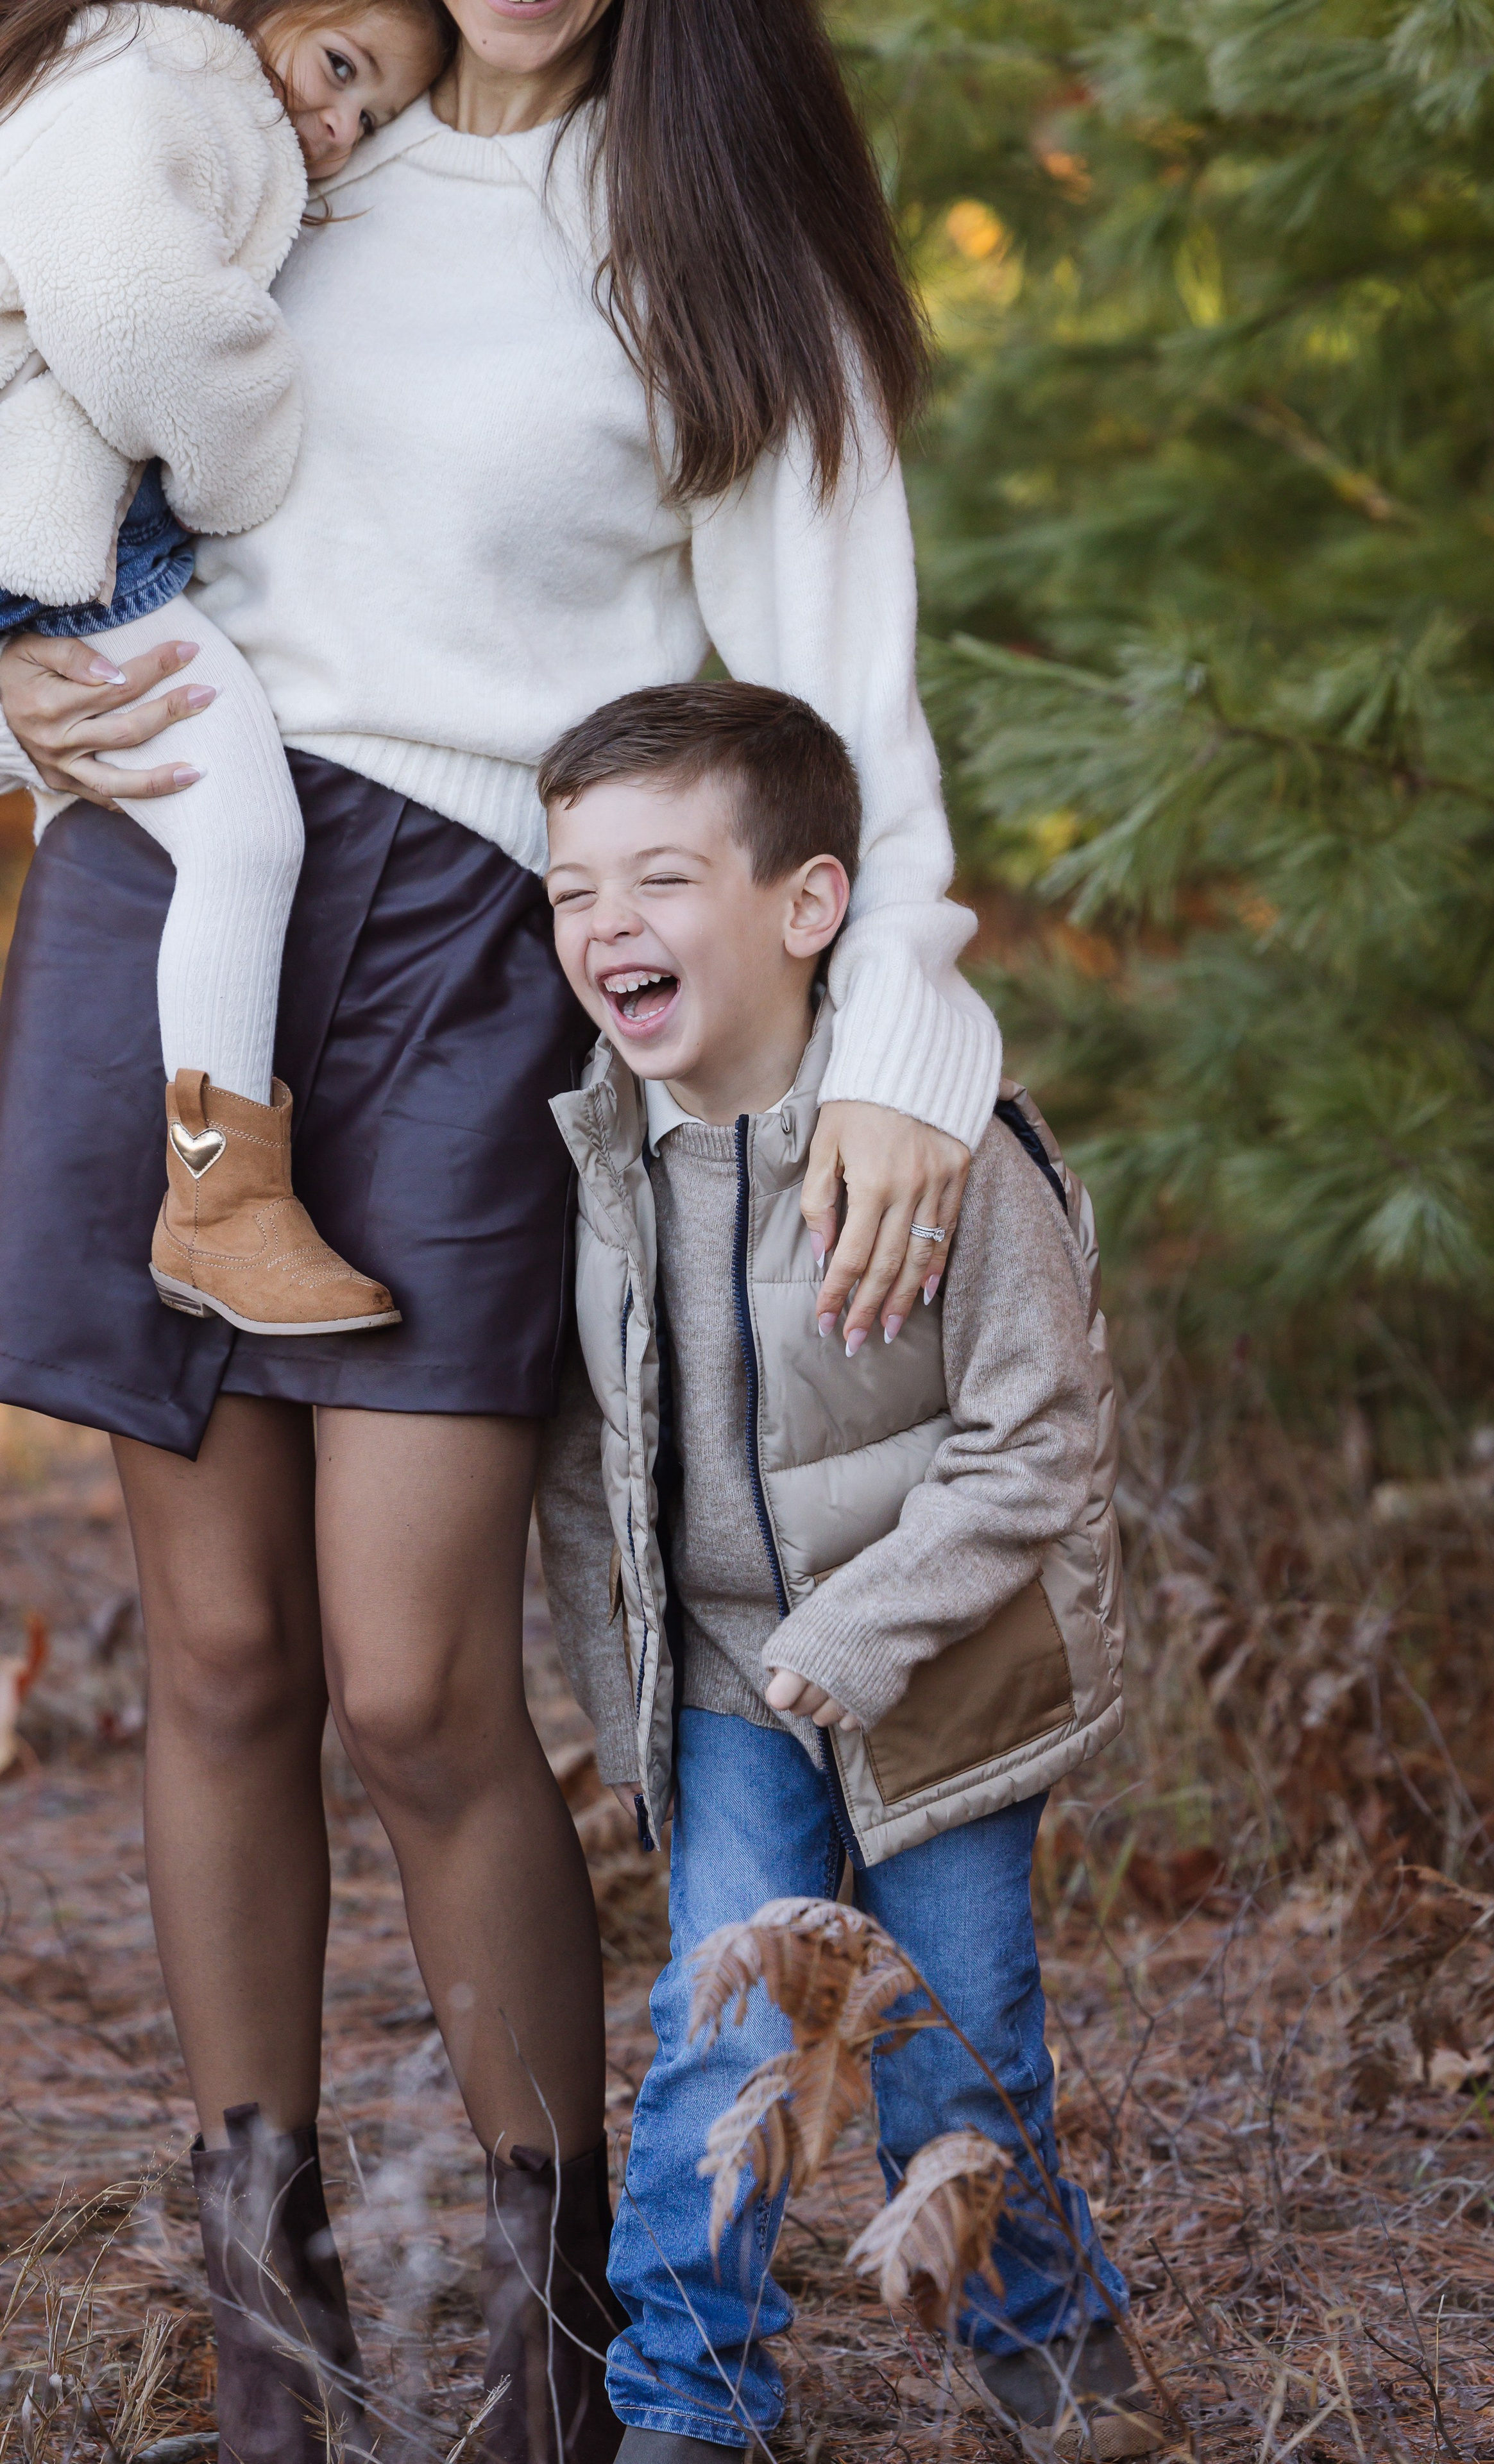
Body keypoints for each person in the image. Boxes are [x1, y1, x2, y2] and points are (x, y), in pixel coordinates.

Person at [0, 0, 1005, 2455]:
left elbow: (835, 701)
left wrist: (901, 1043)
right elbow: (46, 421)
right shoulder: (262, 141)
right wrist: (22, 682)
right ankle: (277, 2339)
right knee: (217, 1657)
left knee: (416, 1678)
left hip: (482, 948)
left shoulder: (709, 231)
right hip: (171, 906)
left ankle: (569, 2335)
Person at [536, 682, 1162, 2463]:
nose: (604, 928)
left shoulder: (943, 1153)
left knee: (960, 2054)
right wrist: (635, 1694)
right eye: (573, 891)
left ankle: (1056, 2354)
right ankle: (691, 2405)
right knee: (718, 2040)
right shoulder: (599, 1161)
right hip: (734, 1689)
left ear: (809, 907)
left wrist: (857, 1634)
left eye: (657, 880)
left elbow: (1039, 1443)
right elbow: (594, 1465)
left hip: (940, 1679)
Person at [0, 0, 450, 1335]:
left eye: (366, 118)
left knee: (227, 832)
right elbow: (139, 314)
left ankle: (217, 1205)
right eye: (339, 69)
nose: (335, 125)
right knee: (248, 837)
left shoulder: (132, 71)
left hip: (51, 516)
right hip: (54, 521)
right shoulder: (167, 72)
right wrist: (242, 457)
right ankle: (219, 1206)